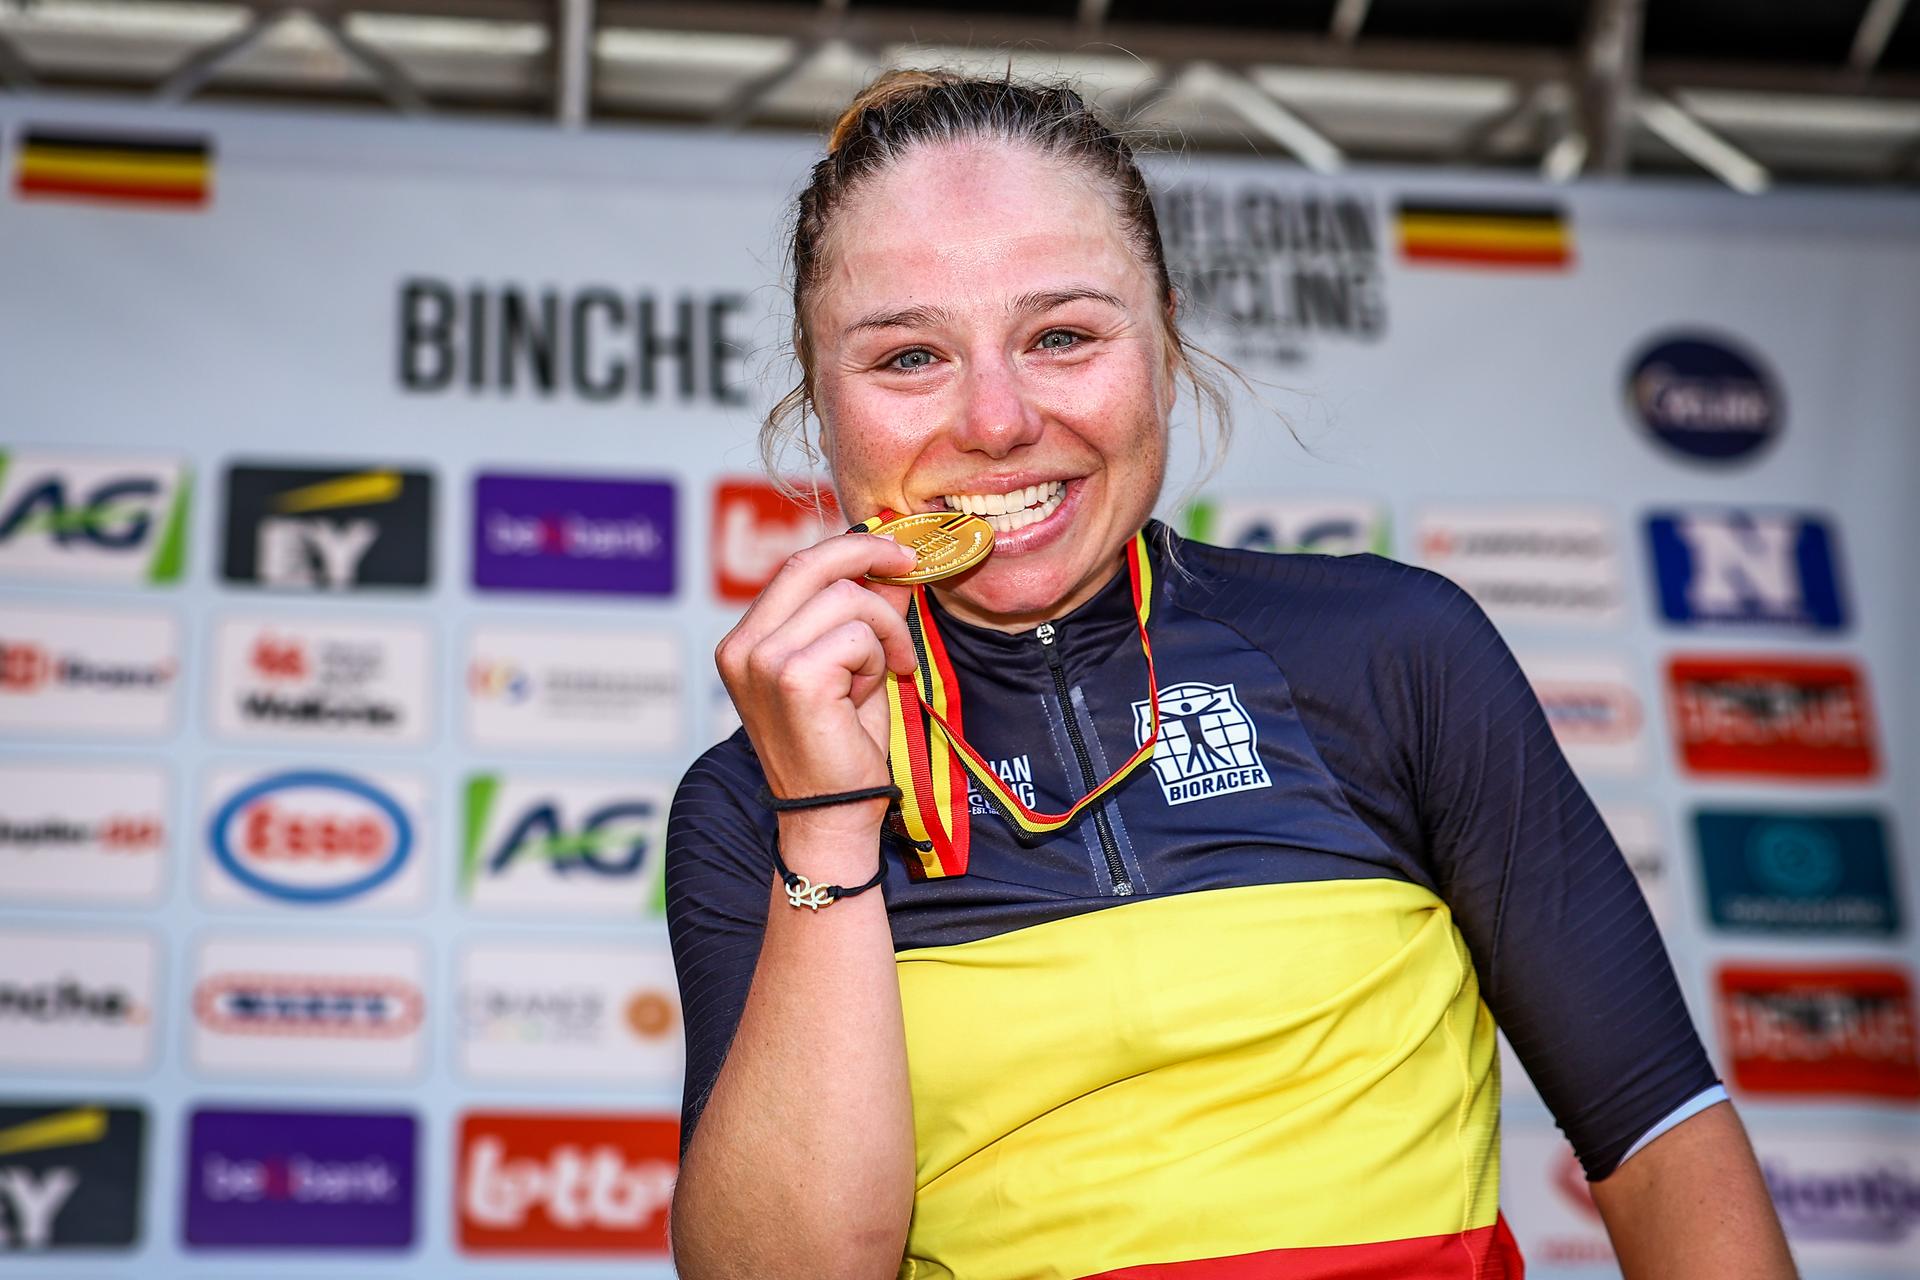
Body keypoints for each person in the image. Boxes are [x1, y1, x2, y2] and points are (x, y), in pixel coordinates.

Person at [664, 70, 1796, 1280]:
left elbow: (1664, 1142)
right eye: (907, 357)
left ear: (1166, 334)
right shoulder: (749, 808)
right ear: (817, 397)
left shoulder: (1395, 650)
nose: (995, 421)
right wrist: (829, 825)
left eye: (1061, 336)